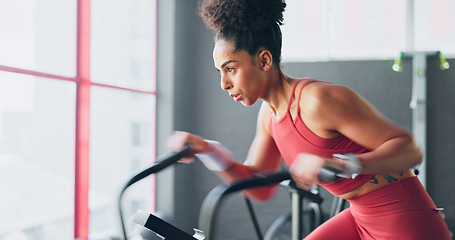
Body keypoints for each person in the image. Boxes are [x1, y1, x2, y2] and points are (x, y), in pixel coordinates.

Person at [166, 0, 452, 239]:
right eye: (220, 71)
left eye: (230, 69)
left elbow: (410, 150)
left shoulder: (317, 101)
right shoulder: (269, 116)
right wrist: (208, 151)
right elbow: (260, 188)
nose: (224, 84)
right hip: (358, 216)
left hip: (404, 217)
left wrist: (345, 163)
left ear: (264, 61)